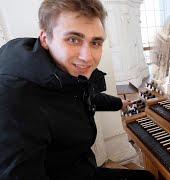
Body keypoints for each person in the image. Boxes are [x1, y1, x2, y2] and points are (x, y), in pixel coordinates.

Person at [0, 0, 154, 179]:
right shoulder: (14, 100)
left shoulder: (59, 71)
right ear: (45, 39)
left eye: (95, 42)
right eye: (73, 39)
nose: (87, 57)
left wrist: (119, 103)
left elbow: (81, 94)